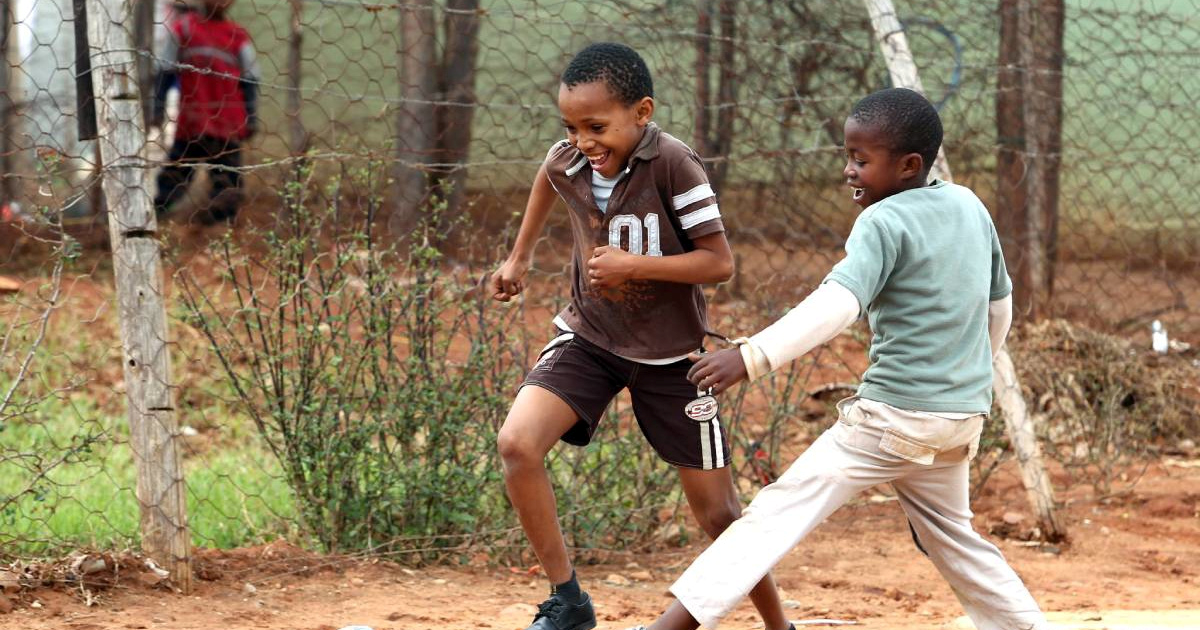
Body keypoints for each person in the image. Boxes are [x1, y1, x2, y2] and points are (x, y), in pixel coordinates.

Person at [625, 87, 1048, 630]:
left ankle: (666, 629)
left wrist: (751, 356)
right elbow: (999, 309)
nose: (848, 171)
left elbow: (839, 304)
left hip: (891, 418)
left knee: (777, 514)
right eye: (847, 156)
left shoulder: (882, 221)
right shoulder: (969, 205)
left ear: (908, 166)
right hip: (960, 417)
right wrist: (966, 379)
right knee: (955, 538)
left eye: (861, 160)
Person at [490, 42, 793, 630]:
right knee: (517, 445)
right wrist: (518, 257)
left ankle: (781, 625)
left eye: (597, 126)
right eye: (572, 127)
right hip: (589, 337)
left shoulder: (675, 165)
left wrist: (635, 266)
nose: (582, 141)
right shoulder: (571, 159)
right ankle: (570, 601)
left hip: (672, 356)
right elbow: (547, 177)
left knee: (720, 516)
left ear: (642, 113)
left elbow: (718, 263)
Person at [150, 0, 259, 225]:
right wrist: (158, 108)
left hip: (227, 123)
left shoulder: (238, 35)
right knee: (173, 179)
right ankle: (153, 223)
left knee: (228, 185)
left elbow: (251, 78)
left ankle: (216, 234)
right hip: (193, 120)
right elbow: (165, 70)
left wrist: (251, 116)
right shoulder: (185, 29)